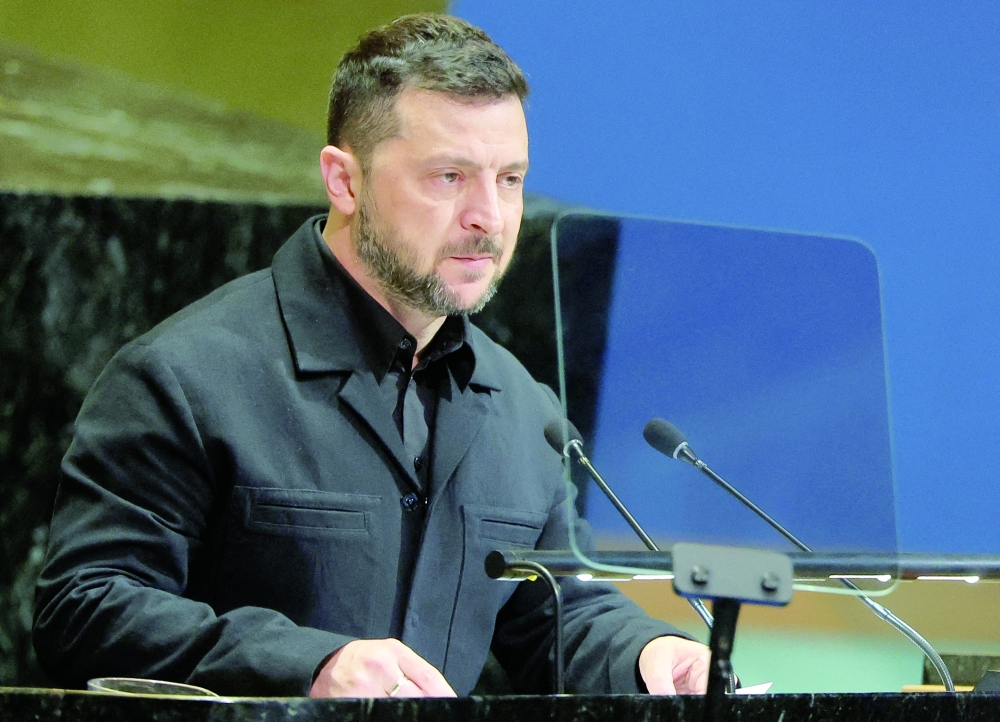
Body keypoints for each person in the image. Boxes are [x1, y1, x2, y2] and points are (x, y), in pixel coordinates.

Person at [33, 13, 710, 698]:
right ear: (344, 181)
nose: (491, 217)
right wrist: (311, 665)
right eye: (450, 177)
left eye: (510, 179)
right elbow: (86, 606)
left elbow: (557, 611)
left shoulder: (523, 407)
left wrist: (653, 652)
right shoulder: (183, 377)